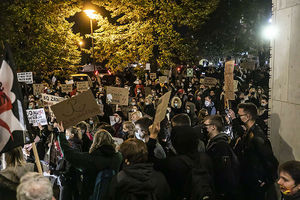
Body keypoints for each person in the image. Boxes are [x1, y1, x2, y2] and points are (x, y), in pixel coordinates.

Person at [56, 122, 123, 200]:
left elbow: (69, 154)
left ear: (95, 142)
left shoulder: (89, 159)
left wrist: (61, 134)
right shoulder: (118, 157)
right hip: (111, 194)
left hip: (90, 195)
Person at [232, 103, 278, 200]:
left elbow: (271, 161)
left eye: (240, 115)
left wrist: (265, 180)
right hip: (247, 179)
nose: (238, 117)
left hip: (255, 183)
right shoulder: (248, 132)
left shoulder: (257, 136)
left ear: (248, 116)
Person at [203, 115, 240, 200]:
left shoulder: (221, 145)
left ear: (213, 127)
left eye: (205, 125)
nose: (204, 128)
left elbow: (224, 170)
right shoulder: (212, 142)